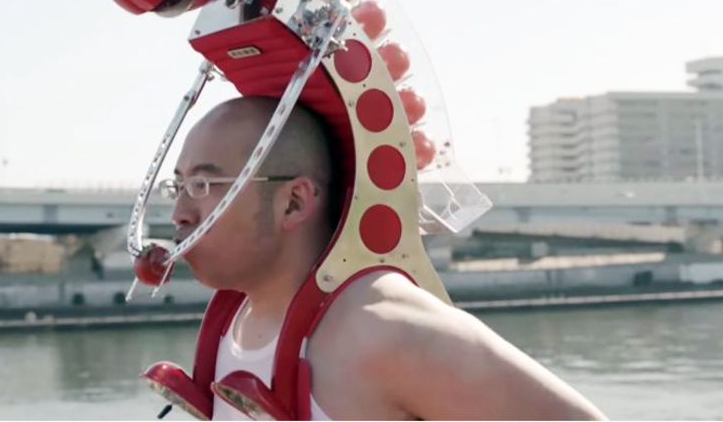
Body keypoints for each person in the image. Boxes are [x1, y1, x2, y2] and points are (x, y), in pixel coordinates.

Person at [163, 96, 608, 421]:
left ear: (294, 203)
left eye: (204, 185)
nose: (180, 213)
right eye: (178, 185)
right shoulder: (230, 325)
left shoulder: (383, 329)